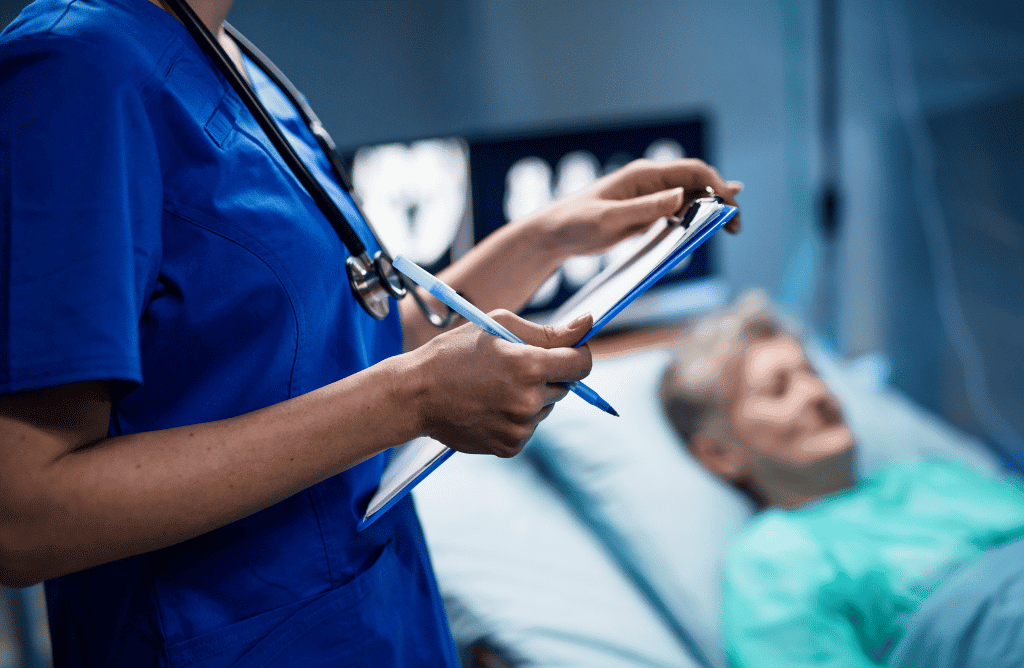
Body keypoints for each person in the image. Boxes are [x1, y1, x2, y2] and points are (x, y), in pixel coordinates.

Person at [0, 0, 743, 665]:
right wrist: (406, 401)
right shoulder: (76, 66)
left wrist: (549, 237)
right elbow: (24, 516)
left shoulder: (224, 51)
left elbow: (352, 348)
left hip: (377, 623)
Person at [659, 291, 1024, 668]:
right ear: (720, 454)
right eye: (779, 389)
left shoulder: (928, 475)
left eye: (813, 373)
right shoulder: (775, 559)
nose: (817, 393)